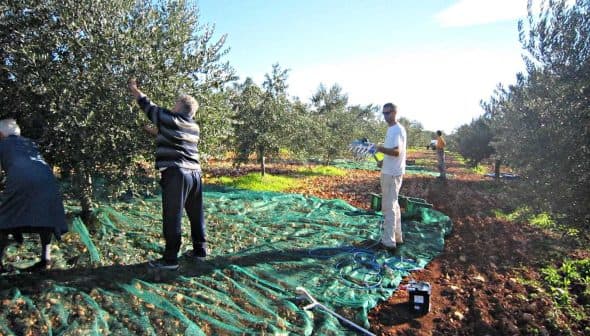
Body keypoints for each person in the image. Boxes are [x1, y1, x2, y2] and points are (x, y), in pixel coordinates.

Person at [128, 79, 206, 270]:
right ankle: (200, 250)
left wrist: (134, 89)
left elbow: (149, 106)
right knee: (196, 214)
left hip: (177, 173)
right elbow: (175, 137)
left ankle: (170, 259)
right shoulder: (193, 127)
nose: (172, 105)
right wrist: (155, 132)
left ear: (180, 107)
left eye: (175, 103)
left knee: (172, 215)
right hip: (195, 174)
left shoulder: (171, 118)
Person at [0, 118, 67, 273]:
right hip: (48, 180)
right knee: (46, 219)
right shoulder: (29, 143)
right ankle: (45, 259)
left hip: (21, 180)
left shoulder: (2, 144)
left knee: (3, 219)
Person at [375, 103, 407, 251]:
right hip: (390, 170)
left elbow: (396, 152)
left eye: (388, 113)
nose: (385, 116)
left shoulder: (397, 130)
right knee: (393, 204)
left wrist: (379, 148)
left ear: (395, 112)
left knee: (388, 207)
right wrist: (382, 161)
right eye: (384, 113)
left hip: (392, 174)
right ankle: (397, 237)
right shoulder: (392, 129)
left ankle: (388, 242)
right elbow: (392, 154)